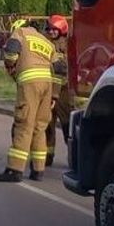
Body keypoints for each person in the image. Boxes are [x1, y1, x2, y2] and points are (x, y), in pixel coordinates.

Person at [0, 18, 55, 183]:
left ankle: (15, 170)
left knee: (24, 124)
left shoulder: (20, 33)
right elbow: (59, 66)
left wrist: (10, 65)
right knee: (39, 127)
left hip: (30, 83)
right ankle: (38, 170)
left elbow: (12, 50)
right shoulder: (45, 41)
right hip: (47, 84)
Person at [43, 15, 70, 167]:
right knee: (48, 125)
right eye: (50, 29)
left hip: (63, 91)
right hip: (48, 89)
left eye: (55, 30)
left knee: (67, 125)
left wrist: (56, 94)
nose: (52, 32)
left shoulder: (65, 45)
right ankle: (48, 156)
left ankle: (74, 158)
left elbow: (61, 71)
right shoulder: (46, 43)